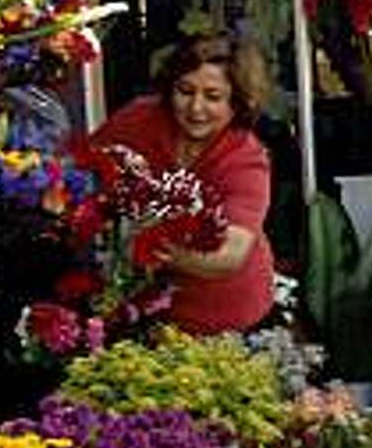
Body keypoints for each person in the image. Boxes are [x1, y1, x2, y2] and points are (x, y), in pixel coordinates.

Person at [90, 31, 275, 334]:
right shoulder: (138, 119)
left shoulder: (245, 158)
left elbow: (230, 254)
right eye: (185, 91)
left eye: (213, 97)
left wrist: (149, 246)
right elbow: (87, 165)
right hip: (138, 308)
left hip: (224, 315)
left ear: (237, 102)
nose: (195, 108)